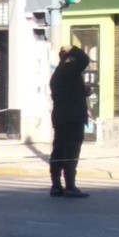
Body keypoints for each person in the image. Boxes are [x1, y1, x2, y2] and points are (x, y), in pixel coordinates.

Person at [49, 45, 91, 198]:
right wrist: (73, 48)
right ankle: (70, 186)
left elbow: (68, 93)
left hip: (60, 117)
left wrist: (82, 92)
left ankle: (56, 185)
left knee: (58, 151)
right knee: (71, 151)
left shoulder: (58, 73)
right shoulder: (70, 70)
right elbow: (85, 59)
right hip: (72, 118)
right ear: (70, 59)